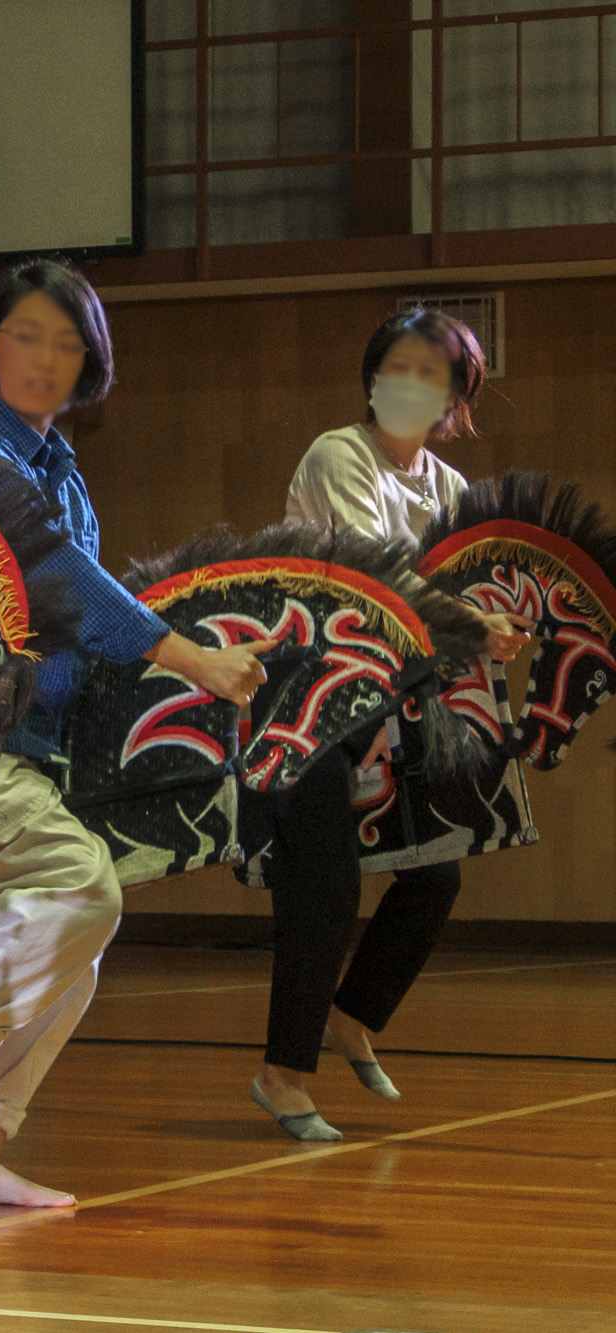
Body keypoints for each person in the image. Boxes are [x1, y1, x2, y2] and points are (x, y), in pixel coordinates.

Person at [0, 260, 276, 1207]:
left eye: (68, 340)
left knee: (76, 944)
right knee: (78, 887)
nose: (46, 356)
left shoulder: (63, 472)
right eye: (25, 333)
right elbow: (60, 579)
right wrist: (193, 657)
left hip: (21, 753)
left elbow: (86, 621)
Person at [247, 308, 531, 1141]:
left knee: (437, 871)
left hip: (391, 703)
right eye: (399, 368)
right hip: (304, 696)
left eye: (434, 374)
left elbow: (466, 585)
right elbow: (381, 582)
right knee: (324, 886)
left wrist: (495, 628)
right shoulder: (339, 454)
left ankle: (351, 1015)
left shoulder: (445, 485)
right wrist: (470, 625)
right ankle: (281, 1074)